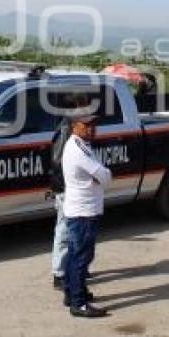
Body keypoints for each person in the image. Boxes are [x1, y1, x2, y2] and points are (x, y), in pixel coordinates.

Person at [62, 113, 112, 318]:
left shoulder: (81, 144)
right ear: (74, 126)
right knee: (82, 257)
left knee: (75, 254)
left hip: (82, 209)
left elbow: (100, 176)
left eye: (94, 125)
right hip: (83, 212)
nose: (91, 129)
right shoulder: (78, 150)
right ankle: (78, 304)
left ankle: (72, 292)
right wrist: (99, 178)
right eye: (86, 125)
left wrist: (98, 179)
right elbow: (105, 176)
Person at [49, 116, 72, 291]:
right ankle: (59, 273)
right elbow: (58, 161)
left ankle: (72, 267)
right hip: (66, 186)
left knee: (74, 230)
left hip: (73, 187)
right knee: (64, 229)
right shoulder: (66, 128)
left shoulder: (74, 126)